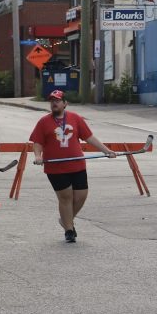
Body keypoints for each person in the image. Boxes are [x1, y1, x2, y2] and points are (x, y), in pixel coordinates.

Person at [30, 89, 116, 243]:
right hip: (55, 167)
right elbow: (37, 142)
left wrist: (106, 150)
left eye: (57, 100)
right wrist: (38, 156)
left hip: (77, 164)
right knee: (66, 197)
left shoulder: (75, 118)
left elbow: (89, 137)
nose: (54, 103)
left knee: (81, 196)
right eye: (52, 101)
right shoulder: (44, 122)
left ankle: (65, 220)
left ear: (65, 103)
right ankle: (69, 230)